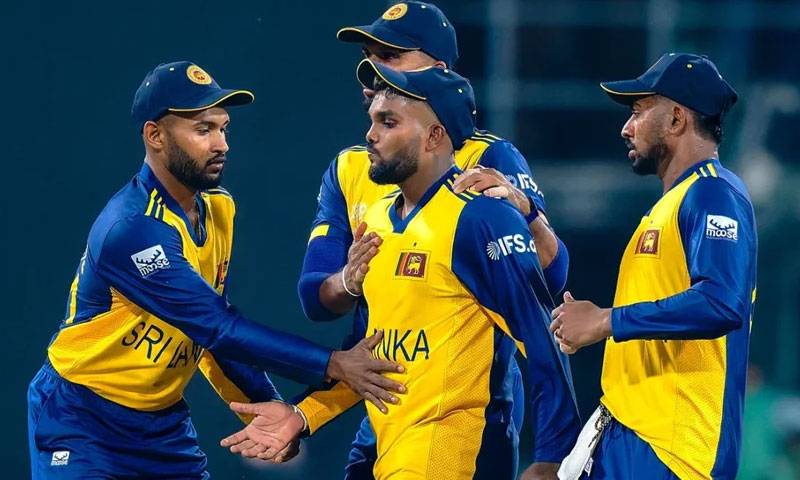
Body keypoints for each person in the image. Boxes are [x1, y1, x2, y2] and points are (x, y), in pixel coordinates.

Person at [26, 61, 405, 479]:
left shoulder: (218, 209)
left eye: (224, 128)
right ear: (155, 136)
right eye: (203, 130)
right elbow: (216, 327)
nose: (221, 144)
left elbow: (212, 341)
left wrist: (269, 412)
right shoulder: (132, 228)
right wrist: (333, 362)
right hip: (82, 418)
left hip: (162, 425)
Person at [222, 60, 580, 480]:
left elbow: (541, 339)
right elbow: (370, 354)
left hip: (446, 453)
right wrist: (303, 416)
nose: (370, 135)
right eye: (373, 120)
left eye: (388, 123)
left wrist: (553, 457)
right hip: (386, 450)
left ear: (434, 136)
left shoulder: (481, 218)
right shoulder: (376, 220)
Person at [297, 3, 570, 477]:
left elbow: (547, 282)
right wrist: (347, 280)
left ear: (438, 68)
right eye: (369, 56)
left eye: (392, 55)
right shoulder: (351, 168)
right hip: (385, 408)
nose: (374, 70)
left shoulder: (490, 159)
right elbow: (317, 299)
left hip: (473, 409)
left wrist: (525, 212)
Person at [551, 53, 756, 480]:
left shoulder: (714, 194)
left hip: (675, 451)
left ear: (677, 118)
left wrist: (604, 321)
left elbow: (722, 302)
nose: (627, 127)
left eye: (640, 111)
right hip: (630, 435)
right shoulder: (668, 206)